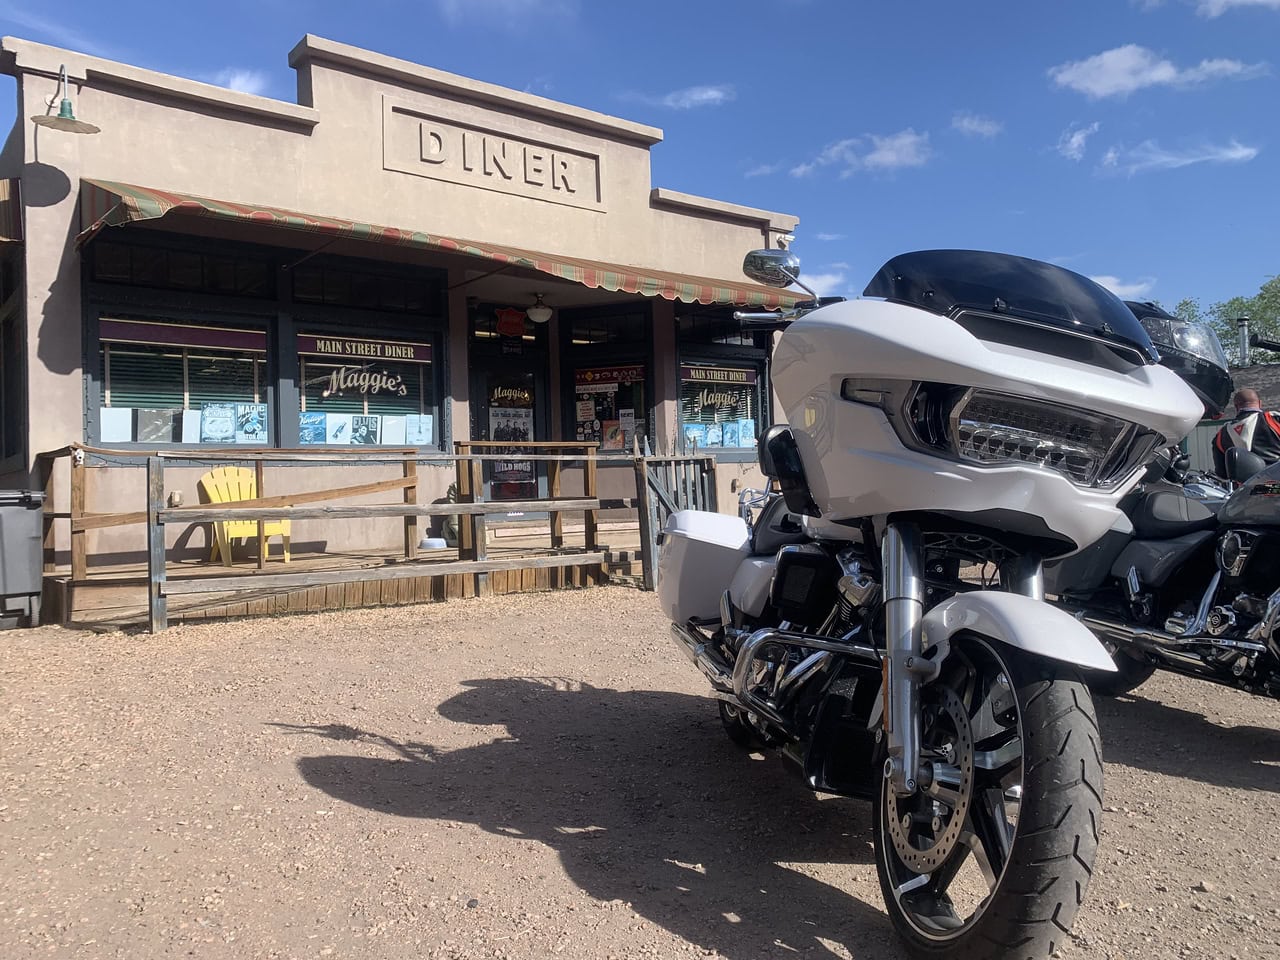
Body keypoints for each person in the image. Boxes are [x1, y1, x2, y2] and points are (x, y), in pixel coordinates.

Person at [1212, 387, 1280, 477]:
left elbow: (1222, 474)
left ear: (1236, 407)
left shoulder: (1221, 435)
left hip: (1247, 489)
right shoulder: (1273, 419)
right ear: (1260, 403)